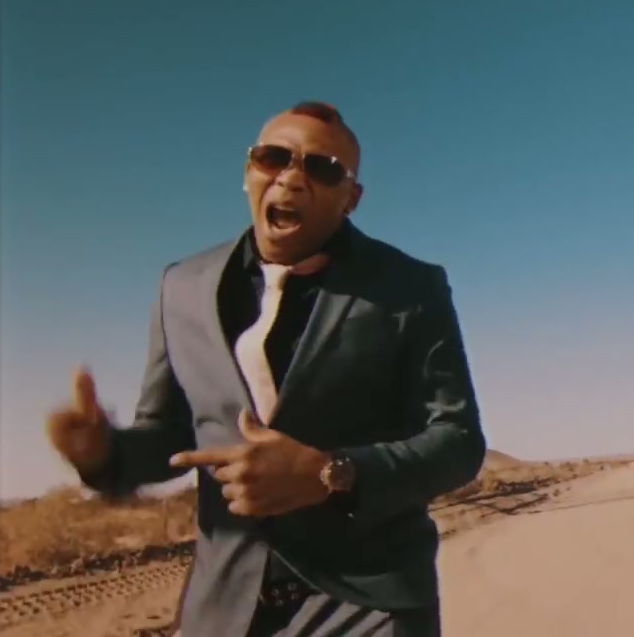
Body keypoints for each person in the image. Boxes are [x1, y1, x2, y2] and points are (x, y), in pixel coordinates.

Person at [46, 101, 486, 637]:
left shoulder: (409, 288)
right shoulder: (181, 286)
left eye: (323, 169)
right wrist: (103, 453)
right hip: (226, 608)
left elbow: (458, 440)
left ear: (351, 198)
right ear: (249, 172)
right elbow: (169, 436)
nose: (291, 178)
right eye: (274, 157)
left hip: (366, 604)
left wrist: (332, 474)